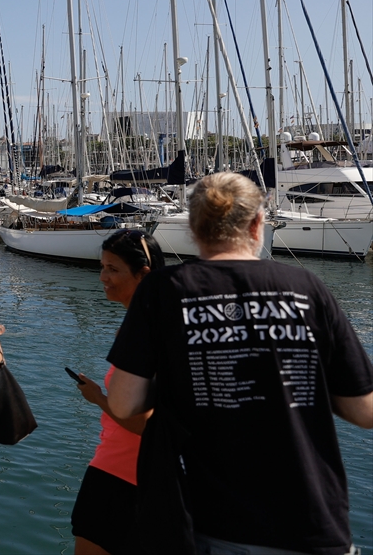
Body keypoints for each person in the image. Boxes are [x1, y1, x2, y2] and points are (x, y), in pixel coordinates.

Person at [107, 172, 373, 554]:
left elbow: (123, 403)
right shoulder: (307, 288)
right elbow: (364, 410)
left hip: (211, 525)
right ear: (257, 224)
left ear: (193, 228)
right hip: (311, 521)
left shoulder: (164, 290)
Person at [70, 230, 165, 555]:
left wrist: (98, 398)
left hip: (119, 473)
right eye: (102, 267)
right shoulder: (162, 324)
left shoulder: (146, 332)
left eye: (113, 269)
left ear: (143, 274)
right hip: (149, 477)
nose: (103, 277)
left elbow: (143, 424)